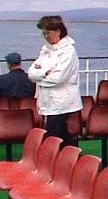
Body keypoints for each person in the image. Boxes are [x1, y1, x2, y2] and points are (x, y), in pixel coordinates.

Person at [28, 15, 83, 147]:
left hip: (62, 101)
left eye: (48, 32)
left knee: (51, 136)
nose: (45, 36)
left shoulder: (68, 51)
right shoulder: (45, 50)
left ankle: (58, 162)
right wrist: (43, 73)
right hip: (48, 101)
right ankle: (75, 160)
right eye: (43, 33)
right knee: (62, 134)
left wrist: (39, 78)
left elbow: (57, 79)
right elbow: (31, 73)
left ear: (58, 31)